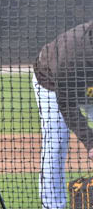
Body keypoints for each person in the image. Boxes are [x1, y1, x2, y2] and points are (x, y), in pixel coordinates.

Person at [33, 21, 93, 209]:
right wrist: (90, 142)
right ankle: (52, 206)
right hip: (51, 82)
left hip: (87, 82)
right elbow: (67, 105)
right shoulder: (72, 56)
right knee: (56, 142)